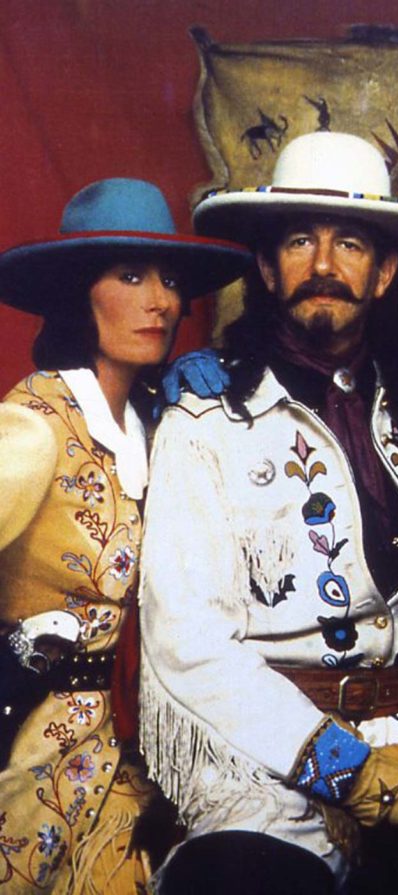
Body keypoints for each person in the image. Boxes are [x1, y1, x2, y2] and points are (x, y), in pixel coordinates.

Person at [138, 132, 398, 895]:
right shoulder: (204, 418)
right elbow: (186, 636)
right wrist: (349, 768)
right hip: (272, 755)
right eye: (300, 241)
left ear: (384, 271)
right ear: (268, 266)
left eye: (351, 244)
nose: (324, 265)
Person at [0, 177, 249, 894]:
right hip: (35, 752)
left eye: (170, 280)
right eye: (132, 277)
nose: (161, 301)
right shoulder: (35, 425)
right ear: (79, 292)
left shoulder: (160, 425)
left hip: (139, 751)